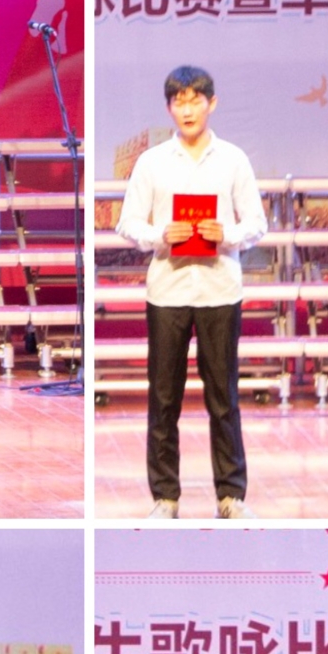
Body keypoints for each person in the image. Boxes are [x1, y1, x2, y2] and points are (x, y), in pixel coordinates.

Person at [116, 66, 267, 521]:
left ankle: (231, 495)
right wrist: (160, 234)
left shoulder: (233, 160)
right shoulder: (152, 162)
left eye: (195, 100)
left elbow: (257, 223)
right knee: (164, 399)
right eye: (178, 101)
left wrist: (228, 234)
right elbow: (128, 223)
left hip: (220, 290)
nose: (187, 110)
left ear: (211, 103)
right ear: (169, 108)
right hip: (168, 292)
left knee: (224, 398)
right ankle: (165, 497)